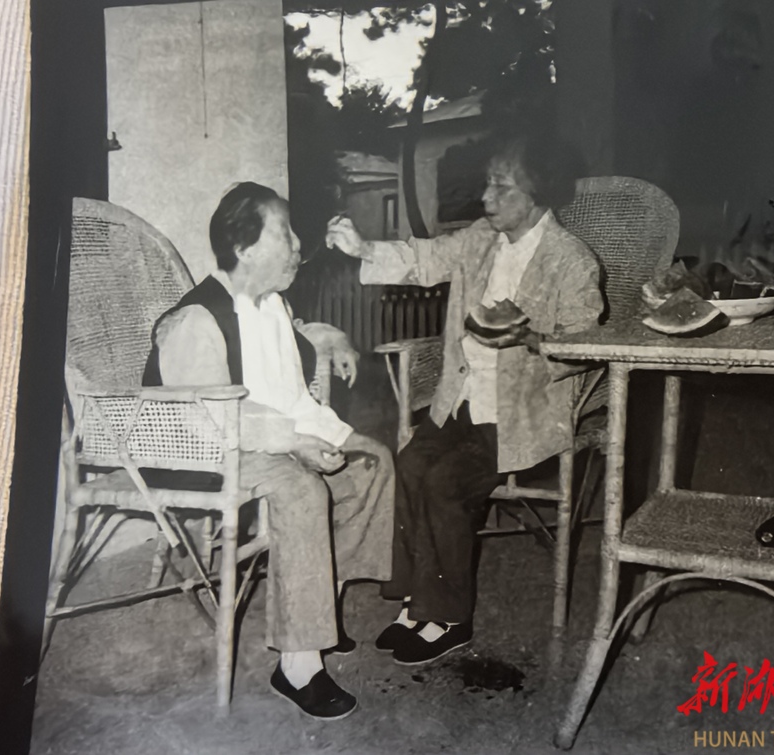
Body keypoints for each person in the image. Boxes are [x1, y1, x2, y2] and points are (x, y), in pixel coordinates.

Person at [325, 134, 604, 666]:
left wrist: (528, 338)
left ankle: (451, 618)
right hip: (462, 402)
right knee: (411, 465)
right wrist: (363, 249)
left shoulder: (572, 261)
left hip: (522, 414)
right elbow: (426, 257)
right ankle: (417, 602)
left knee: (446, 484)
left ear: (537, 193)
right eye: (487, 184)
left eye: (501, 187)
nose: (486, 197)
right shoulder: (480, 238)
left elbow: (584, 346)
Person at [143, 182, 394, 719]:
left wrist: (336, 431)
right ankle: (298, 665)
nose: (300, 245)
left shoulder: (273, 306)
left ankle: (319, 613)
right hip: (204, 455)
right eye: (286, 233)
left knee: (373, 462)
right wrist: (296, 444)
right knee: (302, 490)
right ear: (245, 248)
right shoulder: (195, 321)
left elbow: (290, 390)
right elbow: (211, 421)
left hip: (263, 439)